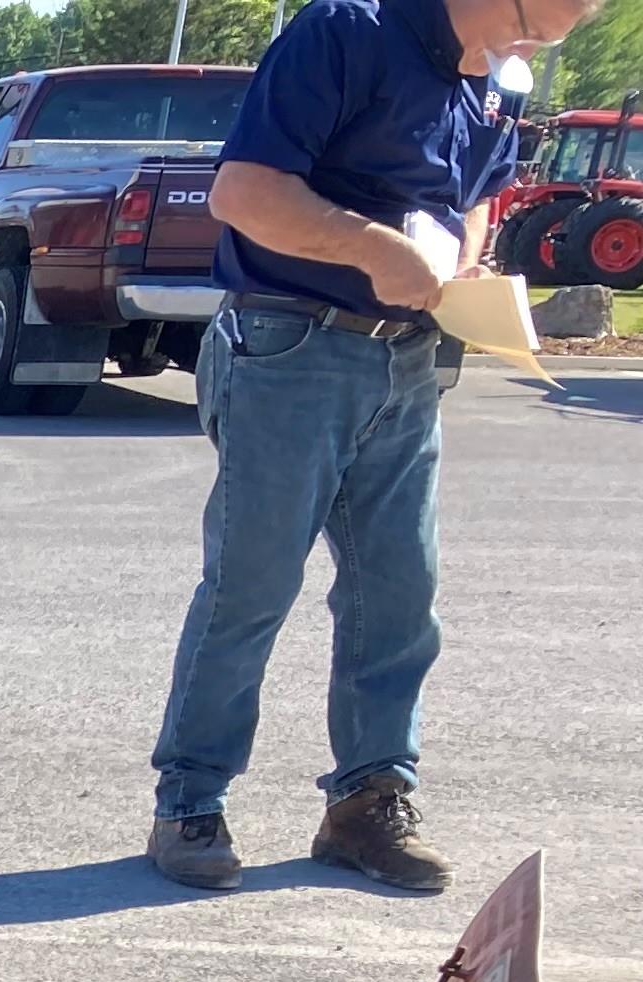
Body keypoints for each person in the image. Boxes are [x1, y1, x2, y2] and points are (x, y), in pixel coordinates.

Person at [144, 0, 609, 896]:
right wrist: (371, 248)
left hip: (408, 361)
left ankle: (369, 801)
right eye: (556, 14)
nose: (562, 35)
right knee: (253, 584)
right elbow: (242, 193)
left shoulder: (496, 81)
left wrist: (460, 270)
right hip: (288, 346)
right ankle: (189, 803)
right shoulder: (345, 34)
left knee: (399, 592)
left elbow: (470, 203)